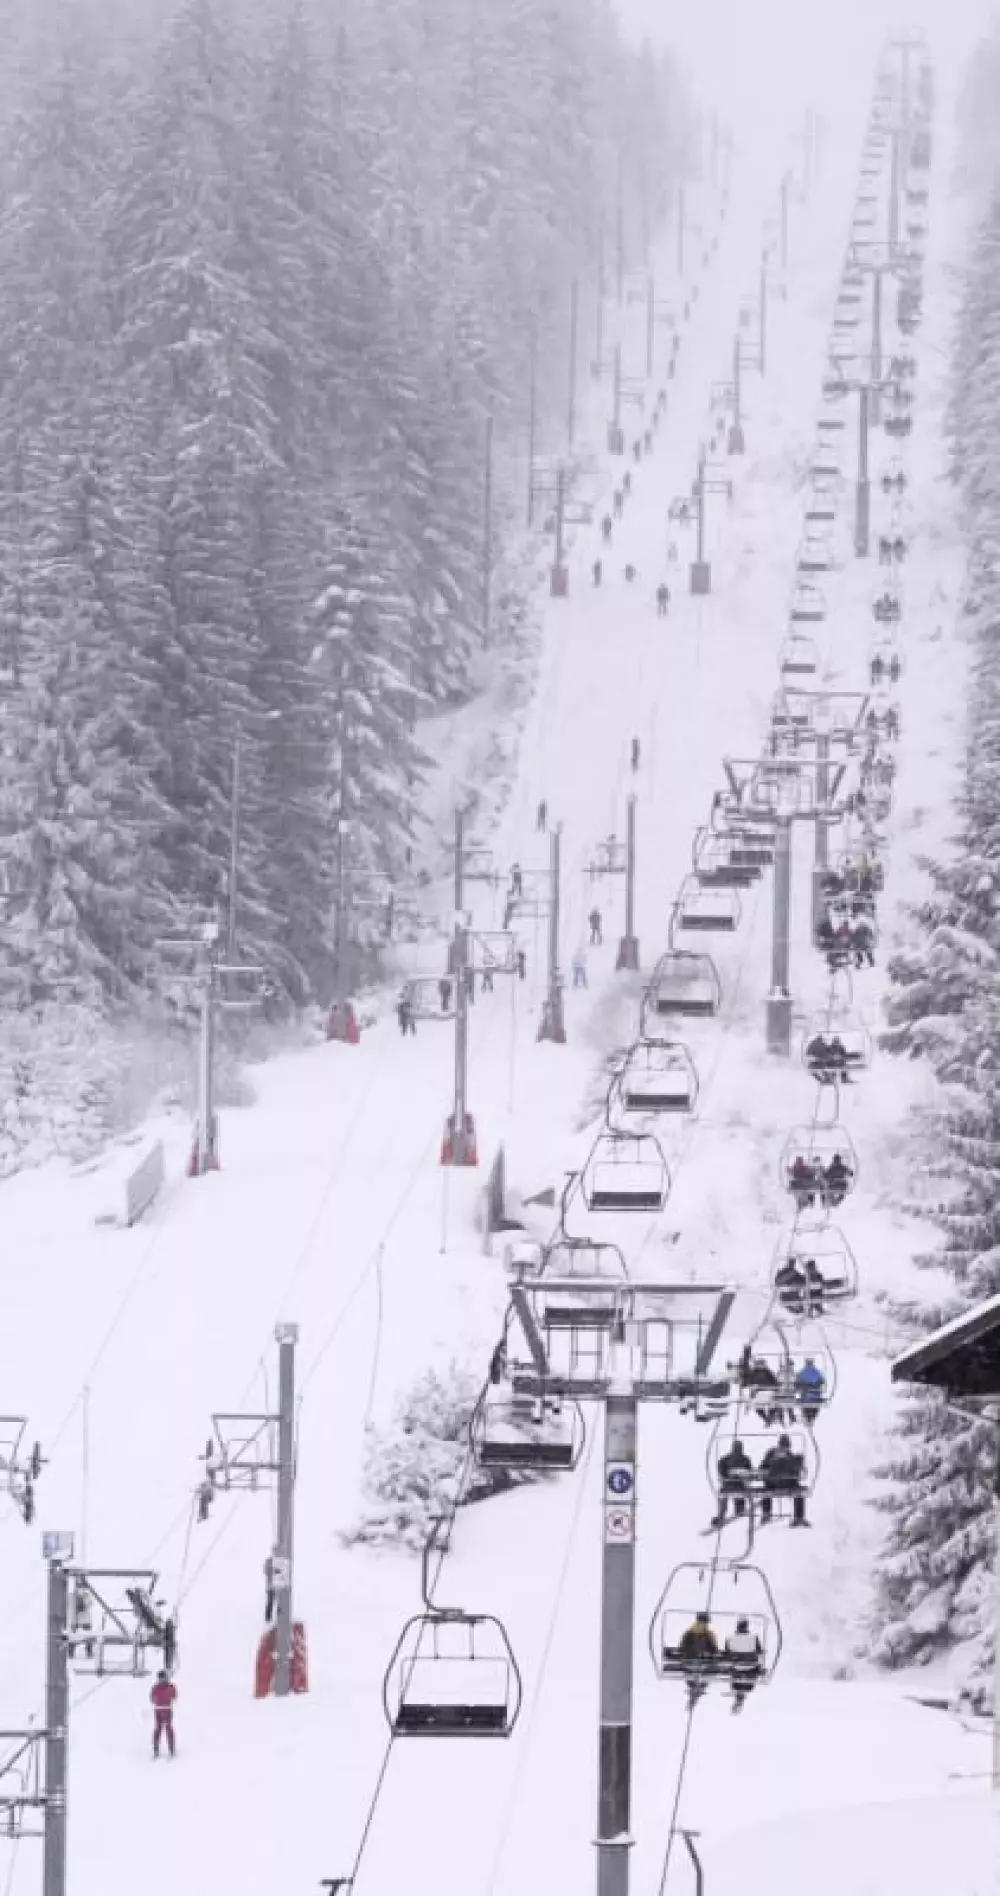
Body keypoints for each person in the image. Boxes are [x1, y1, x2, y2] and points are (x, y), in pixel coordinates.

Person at [760, 1434, 808, 1527]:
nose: (784, 1449)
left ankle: (798, 1517)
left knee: (799, 1491)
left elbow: (795, 1472)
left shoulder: (788, 1455)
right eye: (784, 1446)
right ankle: (766, 1514)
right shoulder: (772, 1453)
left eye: (786, 1447)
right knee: (766, 1490)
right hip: (776, 1484)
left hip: (783, 1483)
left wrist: (797, 1467)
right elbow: (762, 1467)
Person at [724, 1618, 764, 1711]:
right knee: (749, 1678)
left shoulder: (730, 1638)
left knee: (736, 1674)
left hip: (736, 1667)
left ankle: (739, 1696)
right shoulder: (754, 1637)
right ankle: (740, 1696)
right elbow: (759, 1651)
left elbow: (727, 1653)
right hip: (751, 1667)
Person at [712, 1439, 753, 1525]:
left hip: (739, 1485)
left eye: (739, 1448)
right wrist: (728, 1475)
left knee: (733, 1492)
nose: (738, 1450)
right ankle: (722, 1514)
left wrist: (744, 1476)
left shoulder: (745, 1459)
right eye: (737, 1448)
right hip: (730, 1484)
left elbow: (750, 1472)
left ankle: (738, 1509)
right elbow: (721, 1470)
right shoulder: (726, 1459)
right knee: (724, 1494)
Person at [151, 1670, 177, 1759]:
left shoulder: (169, 1686)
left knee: (167, 1728)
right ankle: (157, 1748)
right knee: (159, 1728)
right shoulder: (157, 1687)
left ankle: (170, 1748)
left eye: (162, 1678)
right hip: (160, 1709)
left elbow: (174, 1696)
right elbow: (152, 1697)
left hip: (165, 1709)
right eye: (160, 1678)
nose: (161, 1680)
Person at [794, 1357, 827, 1424]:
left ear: (806, 1363)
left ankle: (807, 1418)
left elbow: (797, 1384)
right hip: (816, 1397)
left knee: (805, 1406)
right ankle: (811, 1418)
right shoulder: (817, 1372)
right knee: (815, 1406)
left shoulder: (802, 1373)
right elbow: (822, 1381)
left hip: (805, 1398)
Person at [264, 1553, 276, 1624]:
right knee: (270, 1602)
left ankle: (278, 1619)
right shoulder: (269, 1561)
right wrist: (273, 1570)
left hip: (279, 1587)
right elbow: (266, 1571)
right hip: (271, 1586)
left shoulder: (282, 1561)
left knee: (280, 1604)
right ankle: (268, 1620)